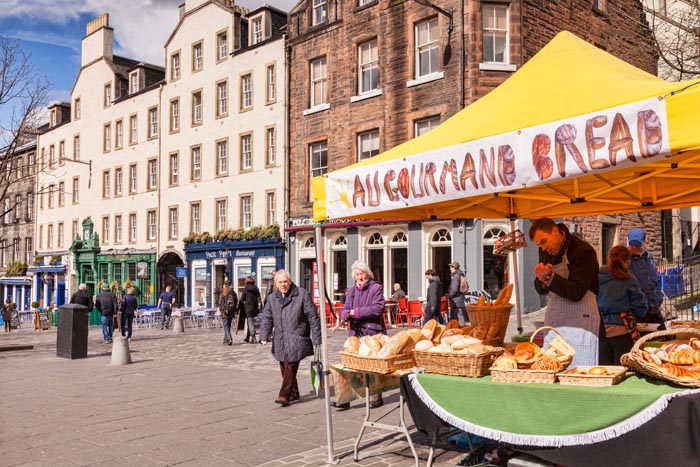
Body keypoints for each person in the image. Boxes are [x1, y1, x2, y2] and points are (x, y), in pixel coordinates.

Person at [529, 218, 601, 366]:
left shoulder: (583, 251)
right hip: (555, 320)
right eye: (539, 244)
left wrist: (548, 277)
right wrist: (542, 280)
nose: (543, 248)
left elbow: (577, 292)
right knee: (552, 366)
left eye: (544, 241)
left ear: (556, 231)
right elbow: (540, 288)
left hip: (581, 322)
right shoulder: (546, 251)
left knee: (581, 368)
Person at [259, 270, 321, 407]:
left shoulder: (302, 294)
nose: (283, 285)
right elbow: (267, 318)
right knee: (283, 364)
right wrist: (264, 335)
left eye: (285, 282)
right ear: (276, 284)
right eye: (280, 282)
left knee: (291, 365)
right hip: (280, 339)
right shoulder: (272, 298)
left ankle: (284, 395)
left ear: (290, 281)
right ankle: (294, 392)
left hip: (297, 337)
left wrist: (316, 338)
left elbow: (313, 317)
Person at [337, 260, 386, 409]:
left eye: (362, 273)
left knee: (371, 367)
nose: (359, 277)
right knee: (349, 365)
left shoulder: (376, 288)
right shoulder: (351, 291)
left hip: (372, 331)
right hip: (355, 331)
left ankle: (375, 396)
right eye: (357, 274)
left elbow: (377, 309)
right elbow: (345, 309)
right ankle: (345, 399)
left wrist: (355, 313)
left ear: (367, 274)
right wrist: (345, 314)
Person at [597, 245, 648, 365]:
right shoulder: (629, 280)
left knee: (605, 372)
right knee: (624, 370)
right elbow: (640, 309)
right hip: (622, 333)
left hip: (600, 331)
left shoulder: (596, 276)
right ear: (626, 262)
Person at [628, 227, 666, 330]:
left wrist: (659, 296)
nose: (635, 247)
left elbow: (656, 279)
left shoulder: (649, 257)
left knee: (664, 337)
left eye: (638, 245)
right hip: (636, 311)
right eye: (632, 245)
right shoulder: (625, 259)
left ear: (645, 242)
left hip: (653, 307)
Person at [238, 276, 261, 344]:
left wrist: (238, 307)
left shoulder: (245, 289)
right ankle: (247, 337)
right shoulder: (256, 288)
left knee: (250, 322)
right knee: (249, 322)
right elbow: (258, 297)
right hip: (254, 307)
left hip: (248, 307)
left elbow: (242, 299)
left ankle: (253, 337)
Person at [447, 261, 468, 325]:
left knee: (458, 315)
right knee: (459, 315)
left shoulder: (456, 276)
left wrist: (450, 295)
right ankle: (461, 328)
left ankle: (461, 329)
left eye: (451, 267)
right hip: (460, 298)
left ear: (454, 267)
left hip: (456, 299)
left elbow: (454, 288)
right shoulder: (460, 274)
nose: (450, 268)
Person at [219, 280, 238, 345]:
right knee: (228, 326)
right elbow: (236, 302)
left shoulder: (223, 293)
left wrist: (221, 309)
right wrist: (234, 309)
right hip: (231, 312)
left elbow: (220, 302)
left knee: (226, 326)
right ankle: (225, 339)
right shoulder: (233, 293)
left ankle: (229, 339)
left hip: (224, 312)